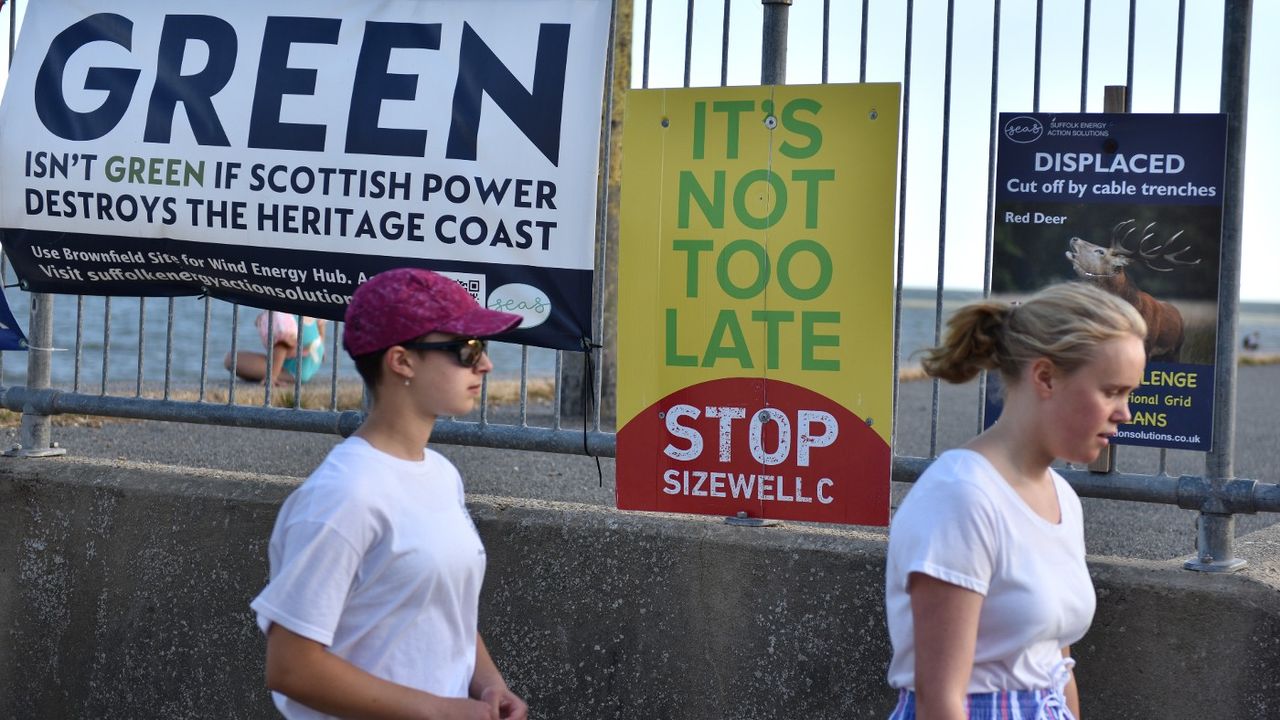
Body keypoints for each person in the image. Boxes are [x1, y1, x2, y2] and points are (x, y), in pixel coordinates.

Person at [250, 268, 528, 720]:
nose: (484, 364)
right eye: (466, 348)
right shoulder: (344, 496)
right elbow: (291, 667)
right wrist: (440, 710)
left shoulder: (441, 474)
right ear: (401, 361)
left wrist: (488, 685)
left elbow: (439, 607)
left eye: (482, 347)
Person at [885, 282, 1147, 720]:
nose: (1125, 413)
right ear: (1044, 377)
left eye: (1128, 394)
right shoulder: (962, 496)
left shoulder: (1061, 495)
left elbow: (1057, 663)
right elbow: (940, 702)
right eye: (1111, 391)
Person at [224, 311, 326, 386]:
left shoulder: (283, 312)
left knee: (231, 359)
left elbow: (282, 344)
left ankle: (275, 375)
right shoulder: (309, 304)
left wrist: (272, 376)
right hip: (310, 361)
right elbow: (320, 330)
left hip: (293, 368)